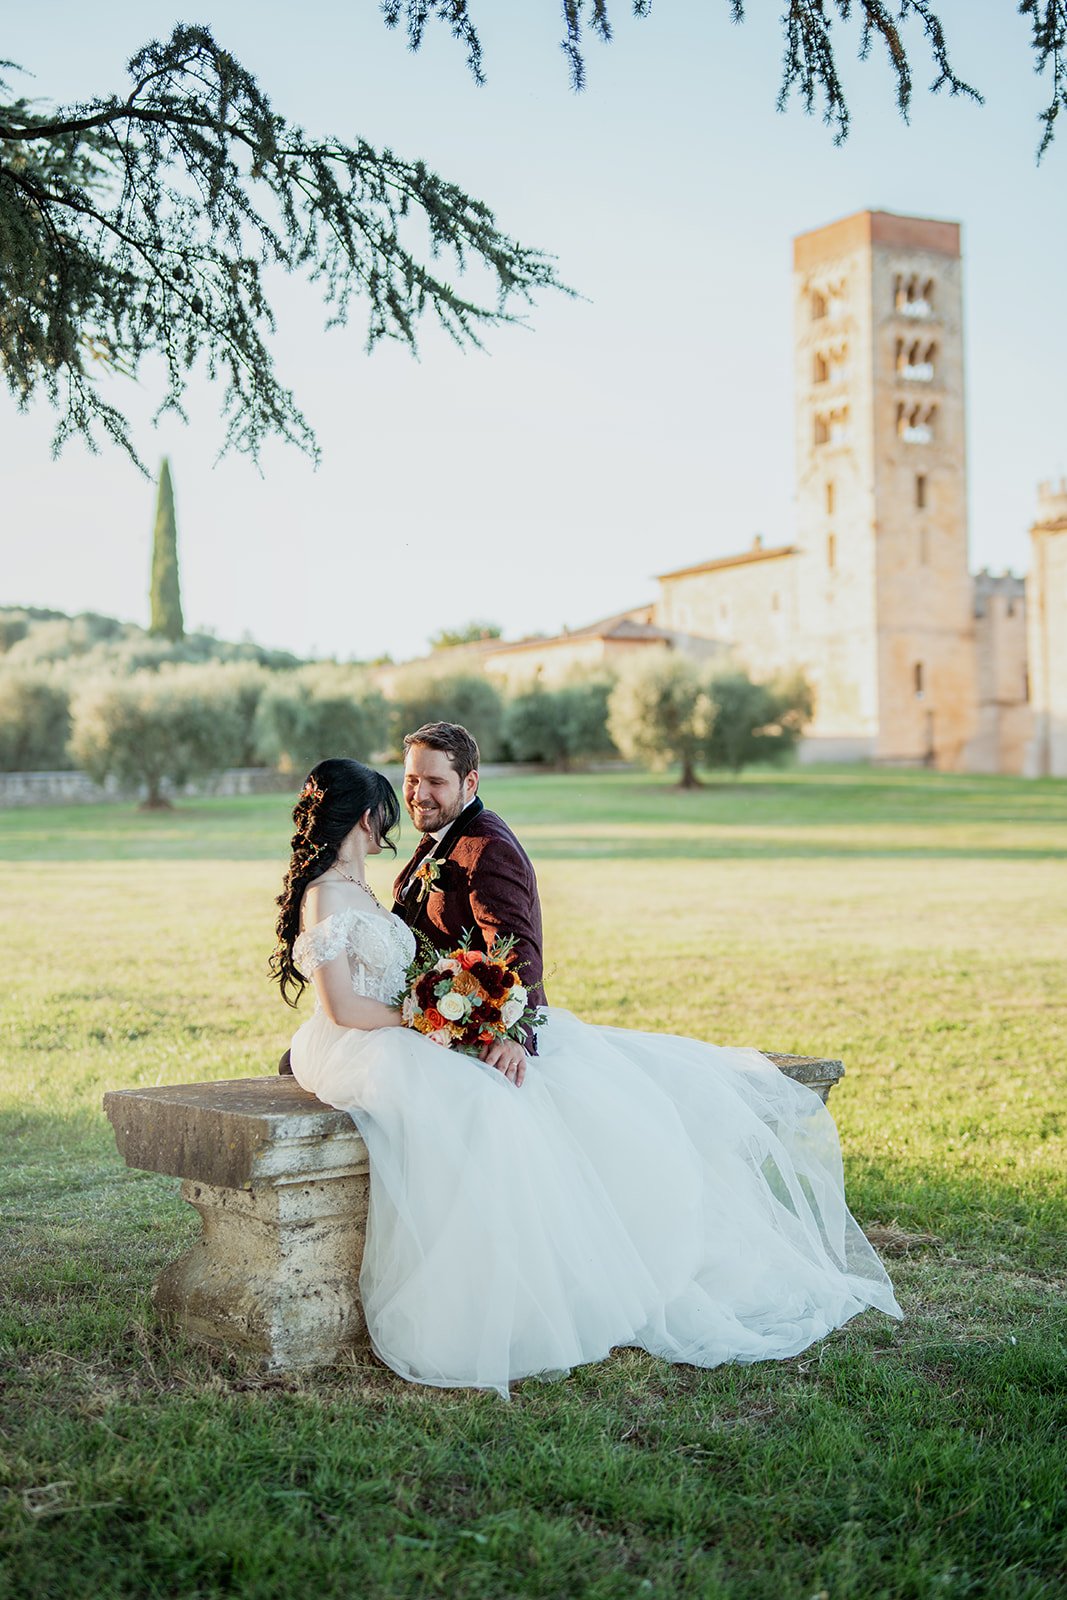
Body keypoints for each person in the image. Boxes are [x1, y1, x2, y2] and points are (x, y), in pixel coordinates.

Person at [273, 743, 901, 1399]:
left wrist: (455, 1018)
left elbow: (486, 957)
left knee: (548, 1091)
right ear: (360, 815)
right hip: (364, 1038)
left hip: (409, 1028)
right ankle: (496, 1292)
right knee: (483, 1108)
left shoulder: (381, 880)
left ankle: (583, 1268)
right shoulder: (330, 896)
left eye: (426, 783)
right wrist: (429, 1023)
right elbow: (342, 1005)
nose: (396, 814)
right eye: (389, 799)